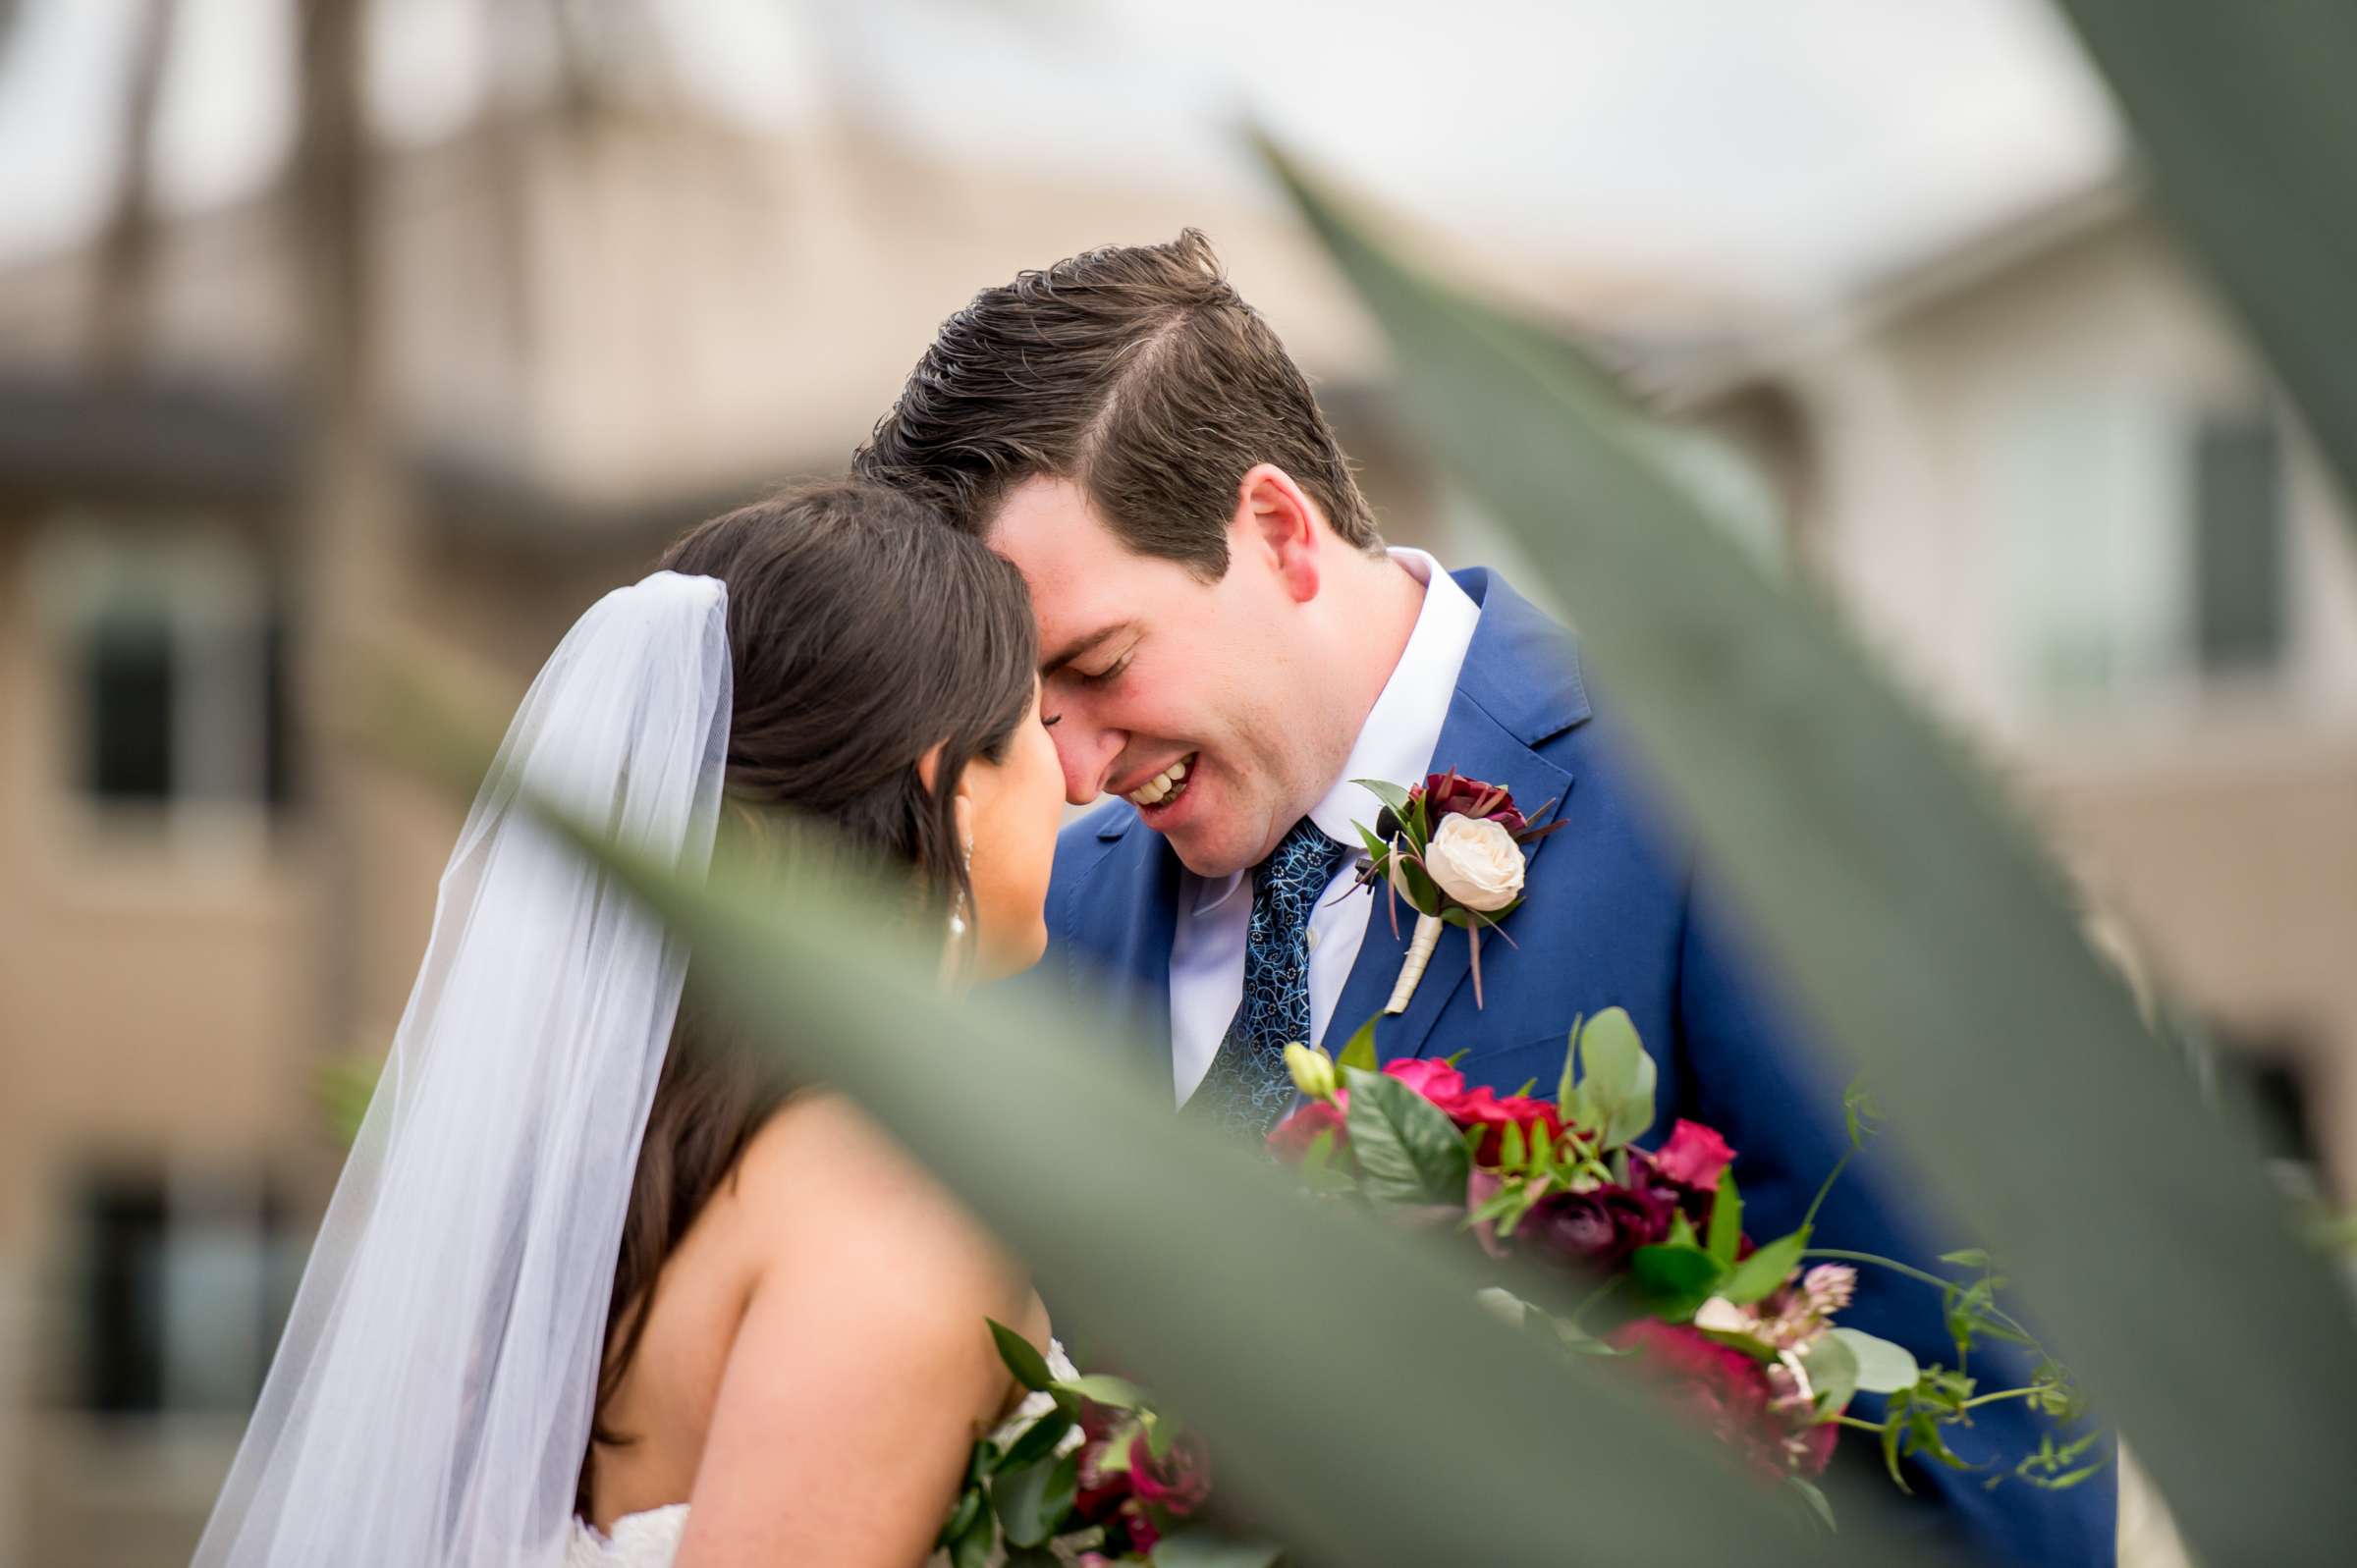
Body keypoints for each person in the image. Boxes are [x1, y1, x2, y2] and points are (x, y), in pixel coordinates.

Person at [853, 231, 2116, 1568]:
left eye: (1100, 663)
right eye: (1029, 709)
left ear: (1278, 532)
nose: (1074, 766)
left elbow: (1988, 1448)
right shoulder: (1053, 927)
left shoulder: (1721, 820)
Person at [192, 481, 1069, 1568]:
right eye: (1042, 724)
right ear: (954, 786)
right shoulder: (904, 1203)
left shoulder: (604, 1164)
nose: (1075, 782)